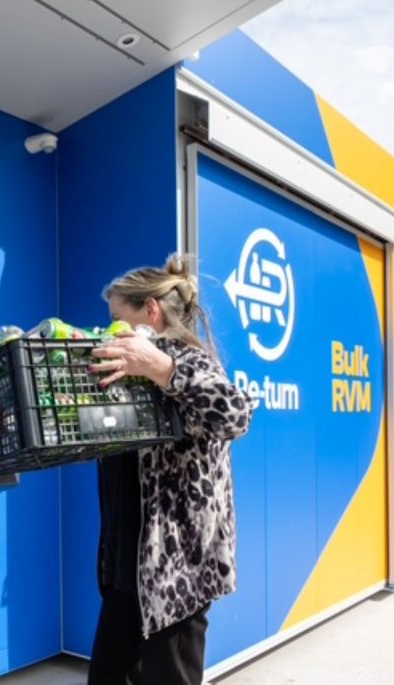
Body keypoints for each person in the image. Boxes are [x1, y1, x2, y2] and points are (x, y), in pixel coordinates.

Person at [86, 254, 252, 685]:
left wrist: (163, 369)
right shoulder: (120, 372)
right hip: (126, 569)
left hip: (177, 573)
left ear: (150, 312)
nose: (110, 328)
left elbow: (235, 416)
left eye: (117, 318)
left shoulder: (188, 361)